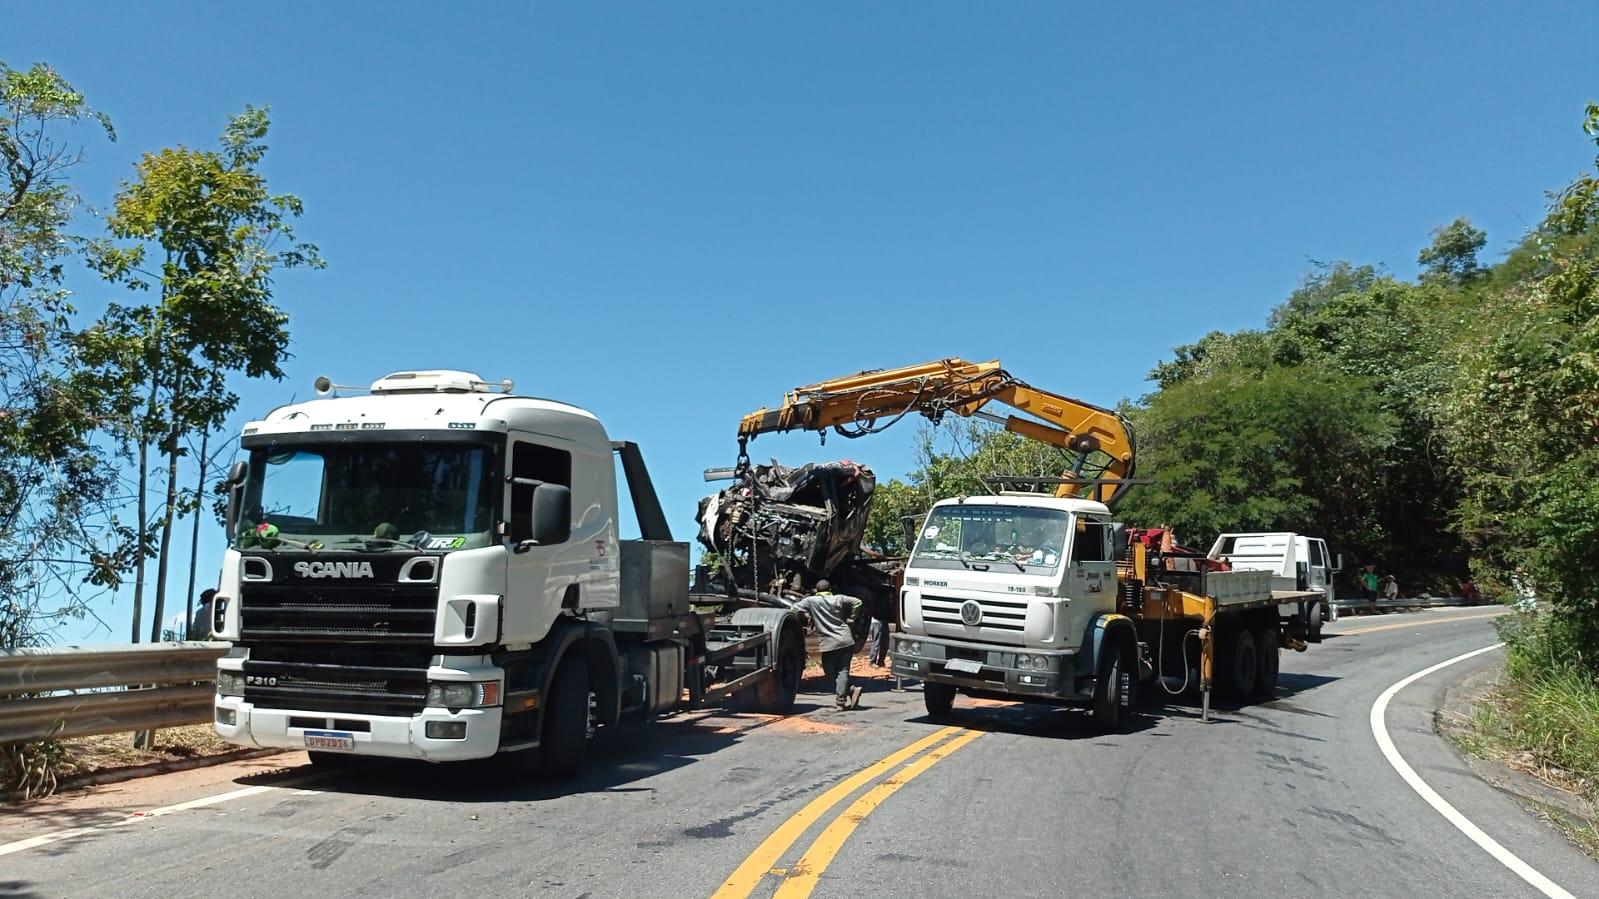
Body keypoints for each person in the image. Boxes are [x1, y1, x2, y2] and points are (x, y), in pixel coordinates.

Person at [791, 580, 864, 710]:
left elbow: (794, 608)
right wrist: (852, 618)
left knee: (830, 673)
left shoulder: (811, 601)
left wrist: (807, 615)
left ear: (816, 590)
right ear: (830, 589)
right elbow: (858, 602)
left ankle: (841, 701)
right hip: (846, 639)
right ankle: (850, 691)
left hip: (829, 643)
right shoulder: (839, 598)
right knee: (843, 670)